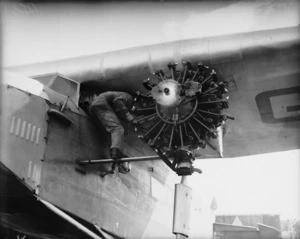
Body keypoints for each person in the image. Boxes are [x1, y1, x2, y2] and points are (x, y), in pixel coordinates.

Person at [89, 91, 136, 172]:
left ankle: (114, 154)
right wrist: (129, 116)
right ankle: (116, 151)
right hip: (102, 105)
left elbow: (119, 114)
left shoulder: (122, 101)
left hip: (95, 108)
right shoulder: (129, 97)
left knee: (111, 132)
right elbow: (117, 101)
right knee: (117, 128)